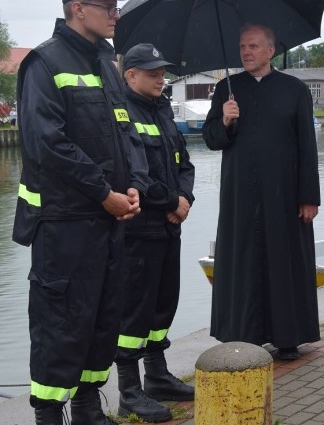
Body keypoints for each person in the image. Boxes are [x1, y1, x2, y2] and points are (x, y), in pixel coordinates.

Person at [12, 0, 149, 425]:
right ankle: (50, 416)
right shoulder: (44, 64)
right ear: (77, 9)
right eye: (107, 5)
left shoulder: (107, 65)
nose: (115, 13)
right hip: (63, 223)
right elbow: (47, 145)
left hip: (107, 222)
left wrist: (131, 186)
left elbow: (122, 133)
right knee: (61, 325)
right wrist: (103, 193)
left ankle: (89, 408)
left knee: (102, 319)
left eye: (116, 6)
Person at [203, 23, 321, 360]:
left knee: (284, 259)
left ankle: (288, 336)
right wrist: (224, 121)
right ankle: (241, 332)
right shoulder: (227, 89)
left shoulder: (294, 90)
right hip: (240, 195)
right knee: (242, 260)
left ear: (270, 50)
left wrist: (309, 196)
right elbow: (212, 141)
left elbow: (307, 147)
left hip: (284, 193)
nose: (246, 52)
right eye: (242, 47)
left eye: (253, 46)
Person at [115, 44, 195, 422]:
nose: (161, 78)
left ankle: (158, 377)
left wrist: (186, 198)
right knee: (135, 312)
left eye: (163, 72)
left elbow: (184, 163)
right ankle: (129, 391)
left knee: (164, 305)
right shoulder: (122, 115)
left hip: (168, 227)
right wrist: (171, 203)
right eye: (152, 73)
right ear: (130, 75)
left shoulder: (163, 112)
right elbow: (135, 175)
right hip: (140, 231)